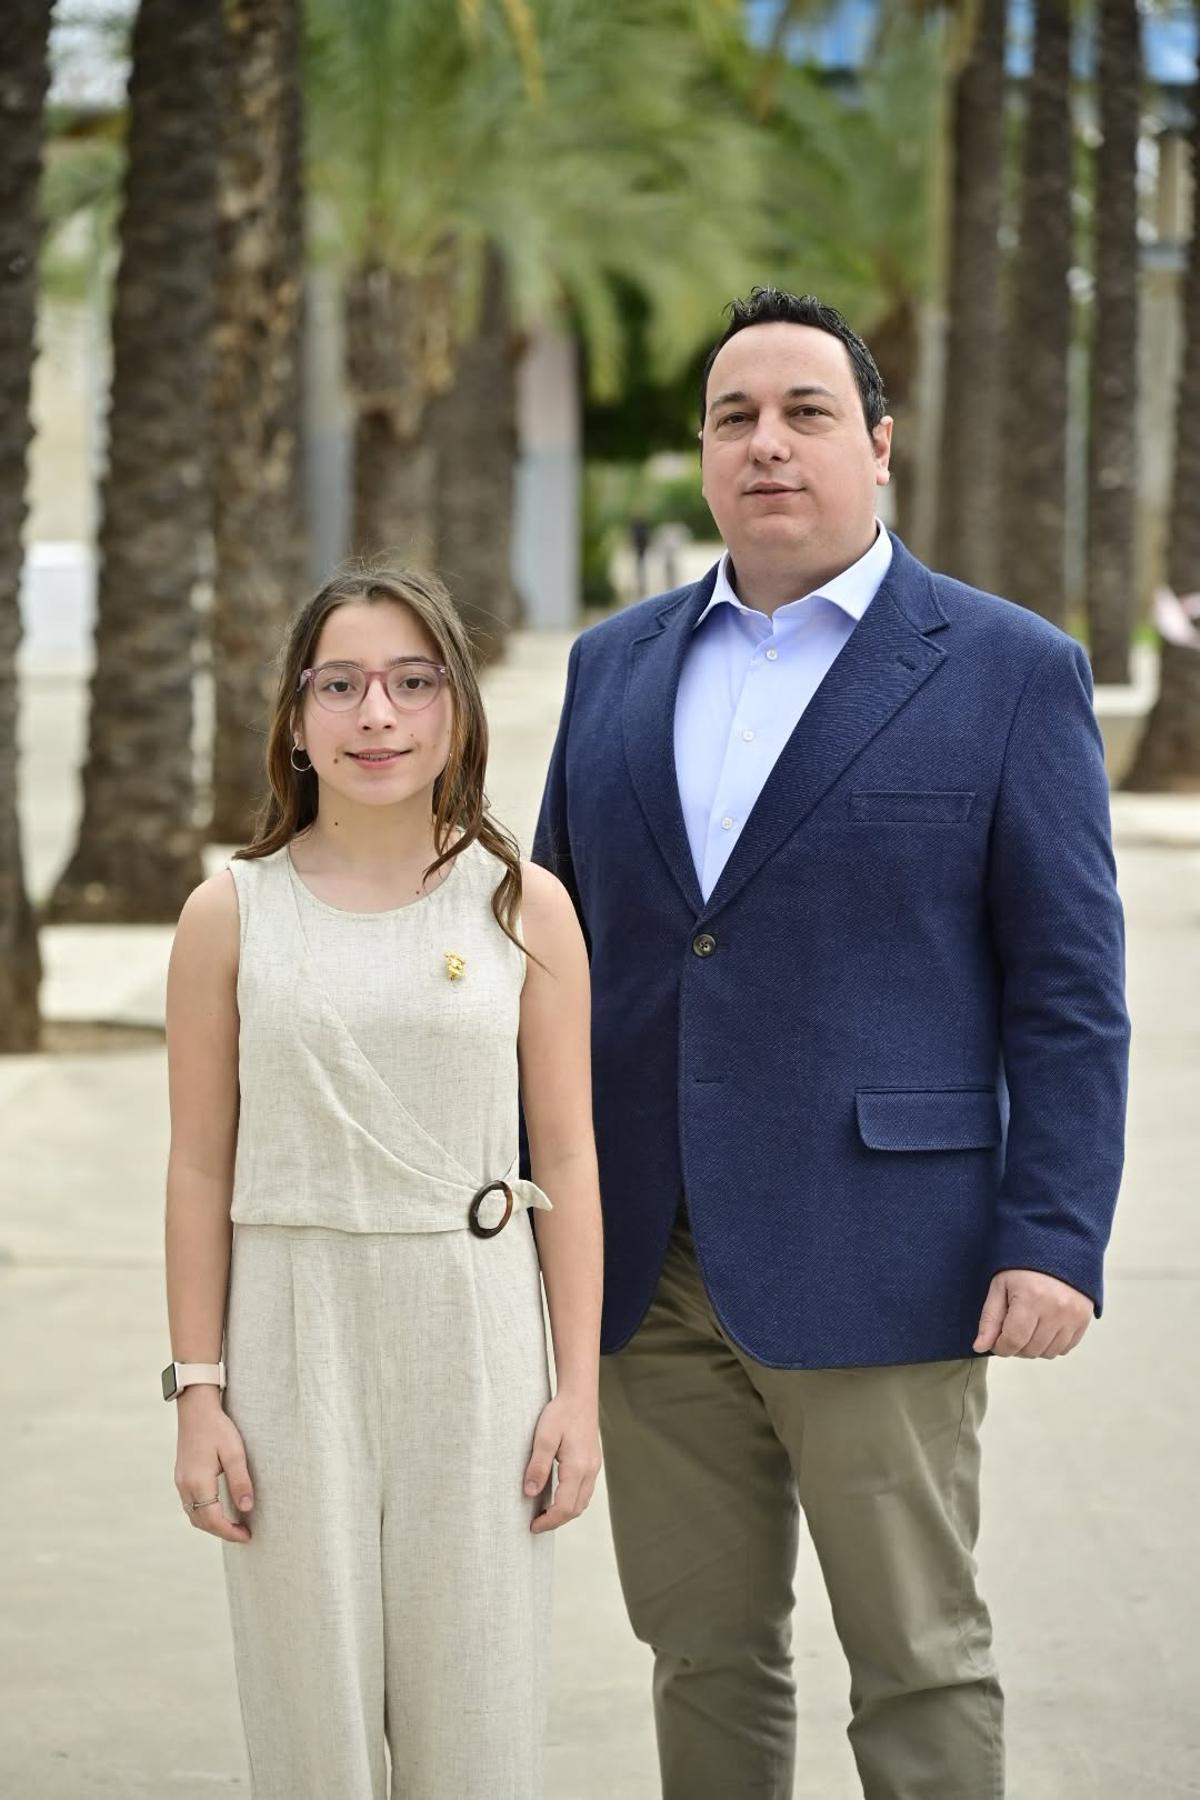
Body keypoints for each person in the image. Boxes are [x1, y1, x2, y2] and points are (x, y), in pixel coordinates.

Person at [532, 288, 1129, 1799]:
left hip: (891, 1259)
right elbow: (554, 957)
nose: (767, 444)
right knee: (702, 1655)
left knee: (921, 1660)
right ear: (706, 456)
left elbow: (1068, 989)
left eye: (805, 413)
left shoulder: (1007, 672)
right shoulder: (613, 668)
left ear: (878, 447)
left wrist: (1054, 1234)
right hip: (647, 1267)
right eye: (735, 417)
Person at [163, 566, 602, 1800]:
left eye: (414, 685)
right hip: (291, 1334)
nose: (378, 718)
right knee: (315, 1728)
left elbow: (564, 1159)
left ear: (455, 711)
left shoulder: (523, 906)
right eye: (342, 685)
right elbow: (198, 1167)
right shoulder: (229, 913)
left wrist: (580, 1395)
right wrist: (199, 1392)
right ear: (295, 719)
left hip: (476, 1339)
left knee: (480, 1718)